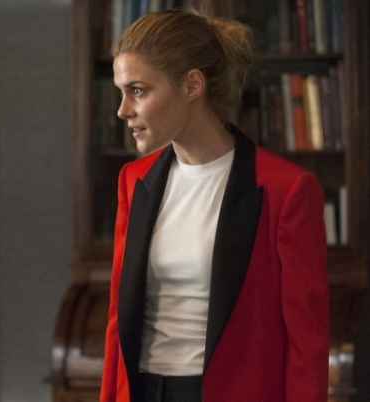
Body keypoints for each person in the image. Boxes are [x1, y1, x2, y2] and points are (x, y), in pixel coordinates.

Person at [100, 9, 329, 402]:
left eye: (137, 90)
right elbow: (117, 321)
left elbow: (307, 343)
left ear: (192, 85)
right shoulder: (133, 181)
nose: (123, 109)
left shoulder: (287, 190)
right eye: (122, 91)